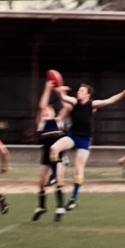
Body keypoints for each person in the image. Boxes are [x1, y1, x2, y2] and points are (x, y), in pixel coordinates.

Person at [50, 82, 125, 213]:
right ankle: (55, 175)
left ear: (88, 94)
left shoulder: (92, 104)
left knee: (78, 168)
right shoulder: (74, 102)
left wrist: (123, 94)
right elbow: (63, 98)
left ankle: (73, 199)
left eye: (82, 91)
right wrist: (58, 89)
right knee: (54, 148)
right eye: (79, 90)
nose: (79, 92)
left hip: (84, 140)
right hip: (73, 136)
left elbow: (109, 101)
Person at [32, 79, 70, 222]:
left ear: (54, 113)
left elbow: (67, 108)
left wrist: (61, 93)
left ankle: (60, 207)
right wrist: (47, 88)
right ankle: (42, 206)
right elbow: (41, 106)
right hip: (46, 154)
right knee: (41, 181)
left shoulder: (58, 121)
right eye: (46, 110)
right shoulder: (42, 123)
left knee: (59, 179)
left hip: (59, 153)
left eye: (50, 109)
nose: (47, 110)